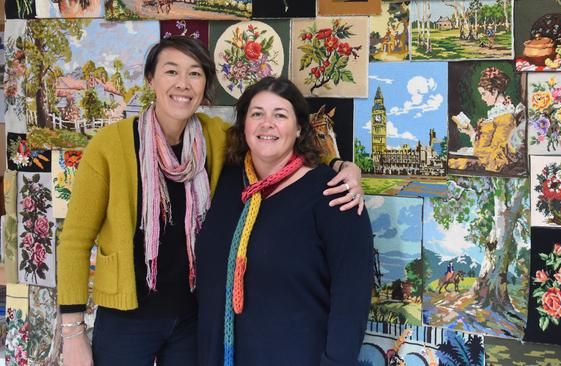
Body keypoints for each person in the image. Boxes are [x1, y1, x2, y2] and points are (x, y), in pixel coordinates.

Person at [56, 37, 364, 366]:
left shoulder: (215, 138)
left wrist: (341, 166)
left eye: (195, 74)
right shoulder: (109, 146)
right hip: (128, 318)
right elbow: (74, 242)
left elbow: (276, 147)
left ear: (205, 85)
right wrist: (72, 333)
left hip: (193, 321)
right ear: (150, 79)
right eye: (171, 71)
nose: (183, 85)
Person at [195, 77, 373, 366]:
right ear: (244, 126)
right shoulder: (228, 181)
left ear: (299, 127)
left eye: (280, 115)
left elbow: (351, 299)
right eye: (257, 114)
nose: (267, 123)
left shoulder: (334, 194)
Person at [449, 66, 525, 173]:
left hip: (491, 165)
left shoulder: (506, 117)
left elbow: (496, 154)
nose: (482, 98)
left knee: (453, 163)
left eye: (484, 94)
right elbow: (485, 144)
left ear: (494, 90)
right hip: (483, 160)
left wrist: (472, 151)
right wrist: (470, 132)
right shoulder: (497, 114)